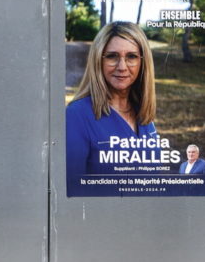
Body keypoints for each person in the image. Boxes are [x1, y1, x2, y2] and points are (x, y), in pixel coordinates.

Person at [66, 21, 160, 184]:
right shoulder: (77, 115)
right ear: (98, 61)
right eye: (112, 56)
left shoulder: (144, 116)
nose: (122, 66)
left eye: (131, 56)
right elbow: (72, 190)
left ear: (142, 62)